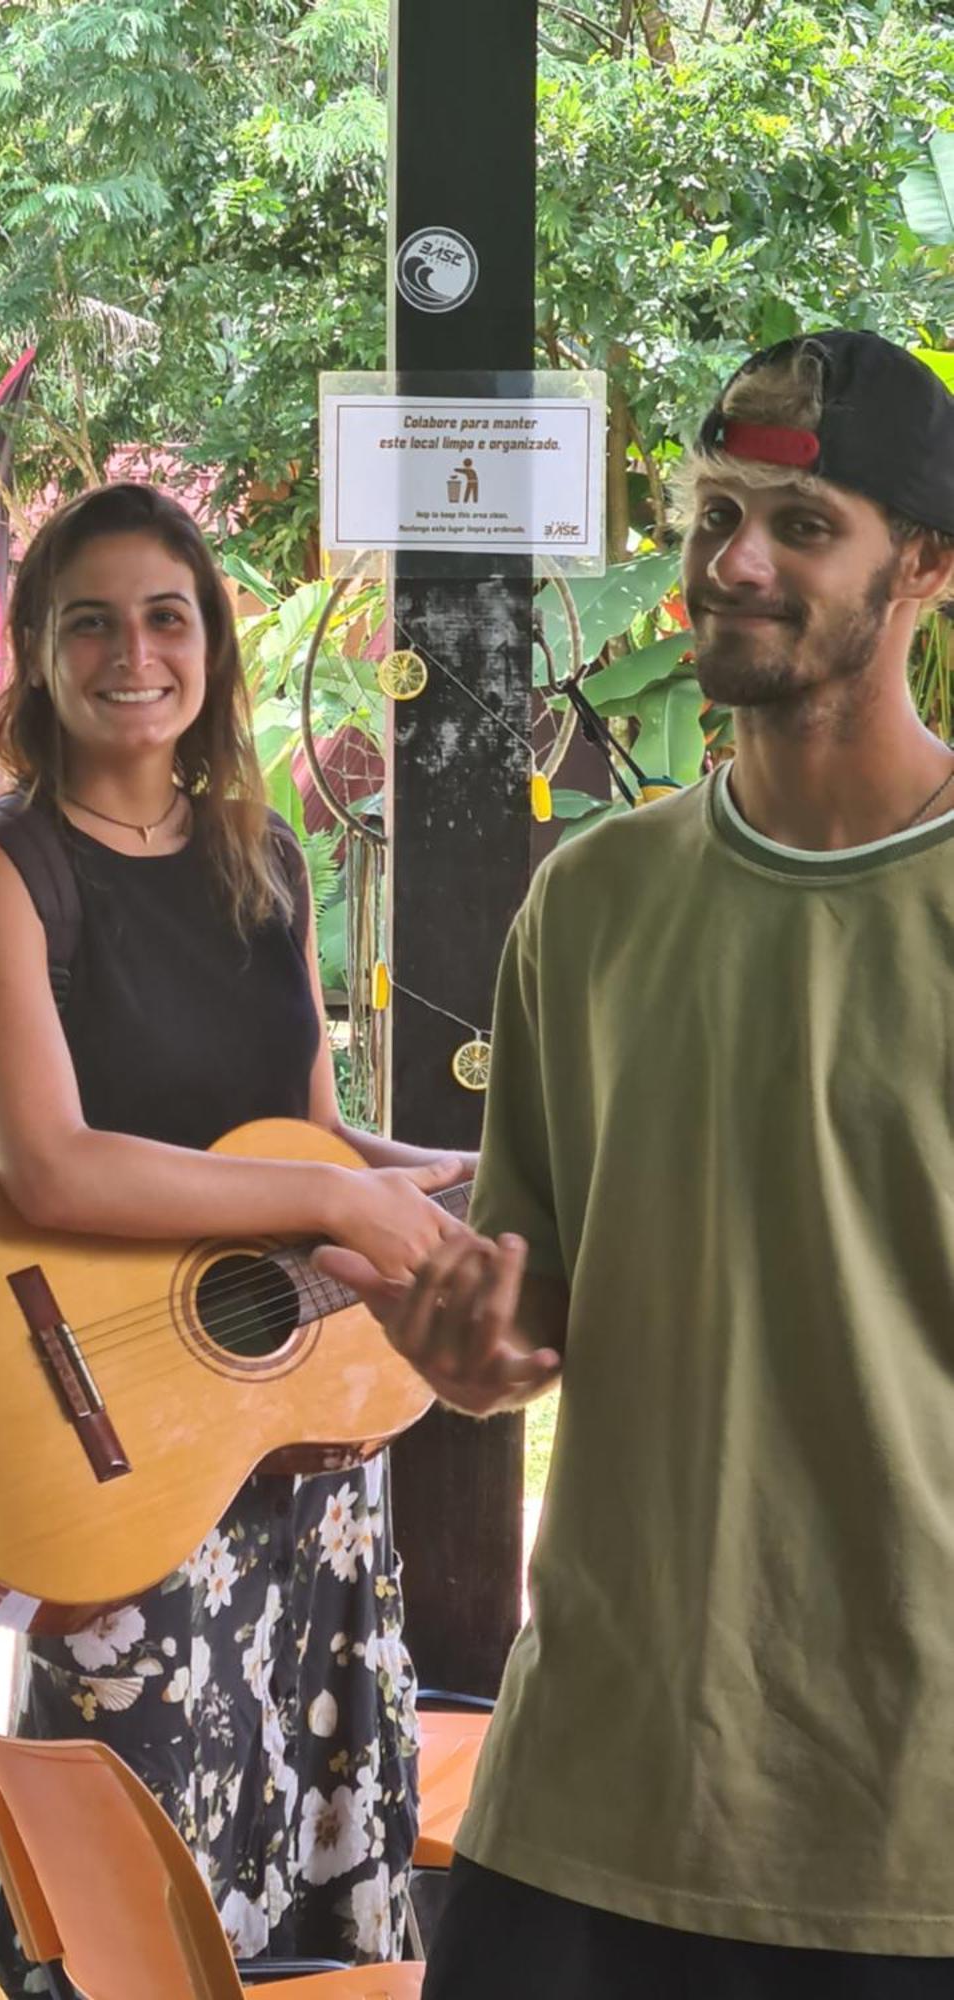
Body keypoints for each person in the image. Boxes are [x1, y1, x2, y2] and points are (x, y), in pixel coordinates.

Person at [321, 329, 954, 1997]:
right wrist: (466, 1352)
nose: (737, 560)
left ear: (931, 569)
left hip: (908, 1835)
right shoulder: (590, 906)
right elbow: (527, 1325)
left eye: (803, 527)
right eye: (715, 512)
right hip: (596, 1794)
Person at [0, 481, 469, 1986]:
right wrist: (331, 1200)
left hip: (300, 1443)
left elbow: (299, 1134)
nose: (133, 652)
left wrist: (452, 1174)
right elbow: (54, 1164)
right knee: (125, 1880)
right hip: (116, 1431)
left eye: (168, 618)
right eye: (89, 621)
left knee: (312, 1835)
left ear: (213, 652)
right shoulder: (1, 875)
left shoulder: (264, 856)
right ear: (35, 650)